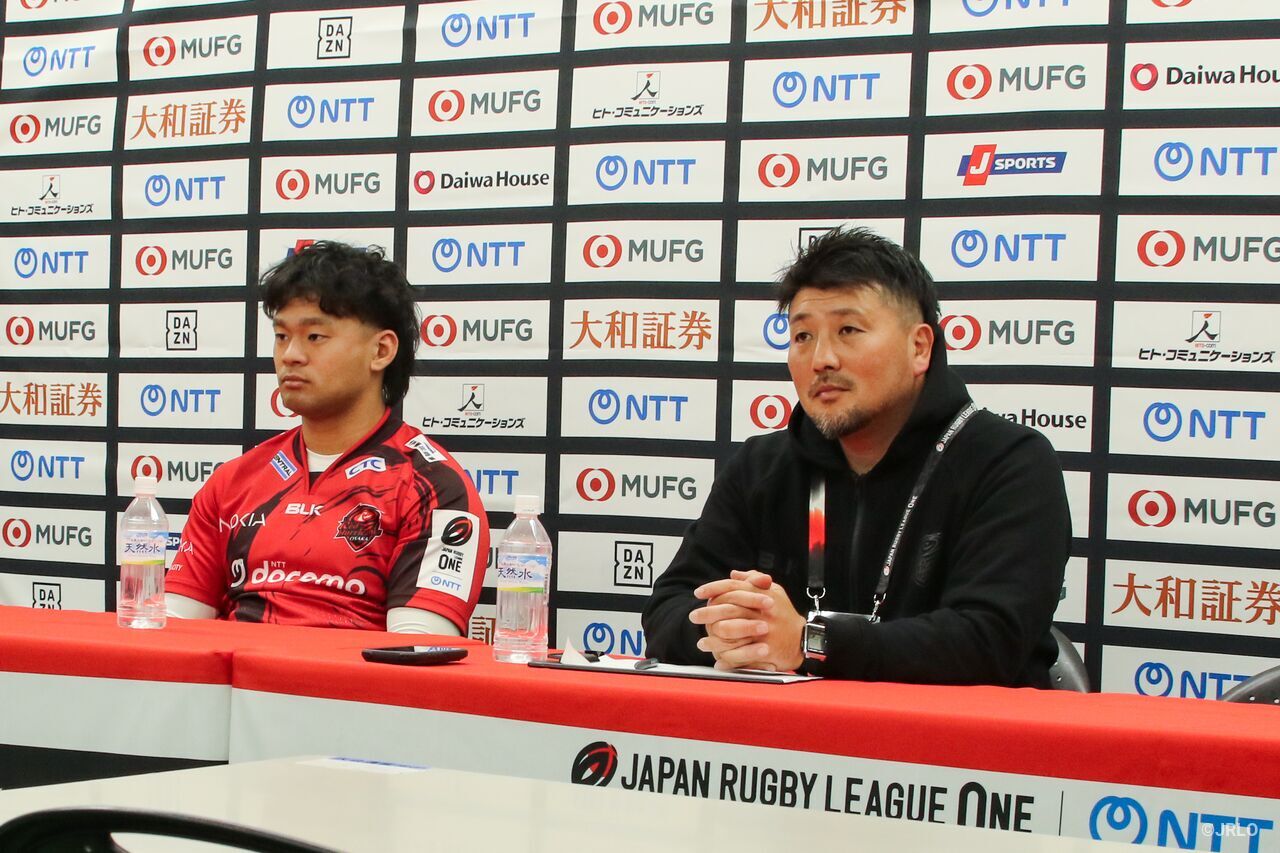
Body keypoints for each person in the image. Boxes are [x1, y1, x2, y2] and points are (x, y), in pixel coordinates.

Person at [641, 227, 1071, 685]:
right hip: (787, 731)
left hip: (955, 731)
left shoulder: (1009, 462)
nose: (821, 359)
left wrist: (808, 642)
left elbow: (990, 640)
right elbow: (668, 608)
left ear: (919, 347)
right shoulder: (761, 466)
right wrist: (727, 631)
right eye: (802, 336)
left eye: (848, 330)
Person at [165, 241, 488, 634]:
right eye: (281, 336)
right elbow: (173, 632)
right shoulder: (232, 482)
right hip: (235, 672)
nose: (290, 355)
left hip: (357, 676)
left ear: (381, 350)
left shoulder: (435, 488)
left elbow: (416, 652)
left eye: (314, 336)